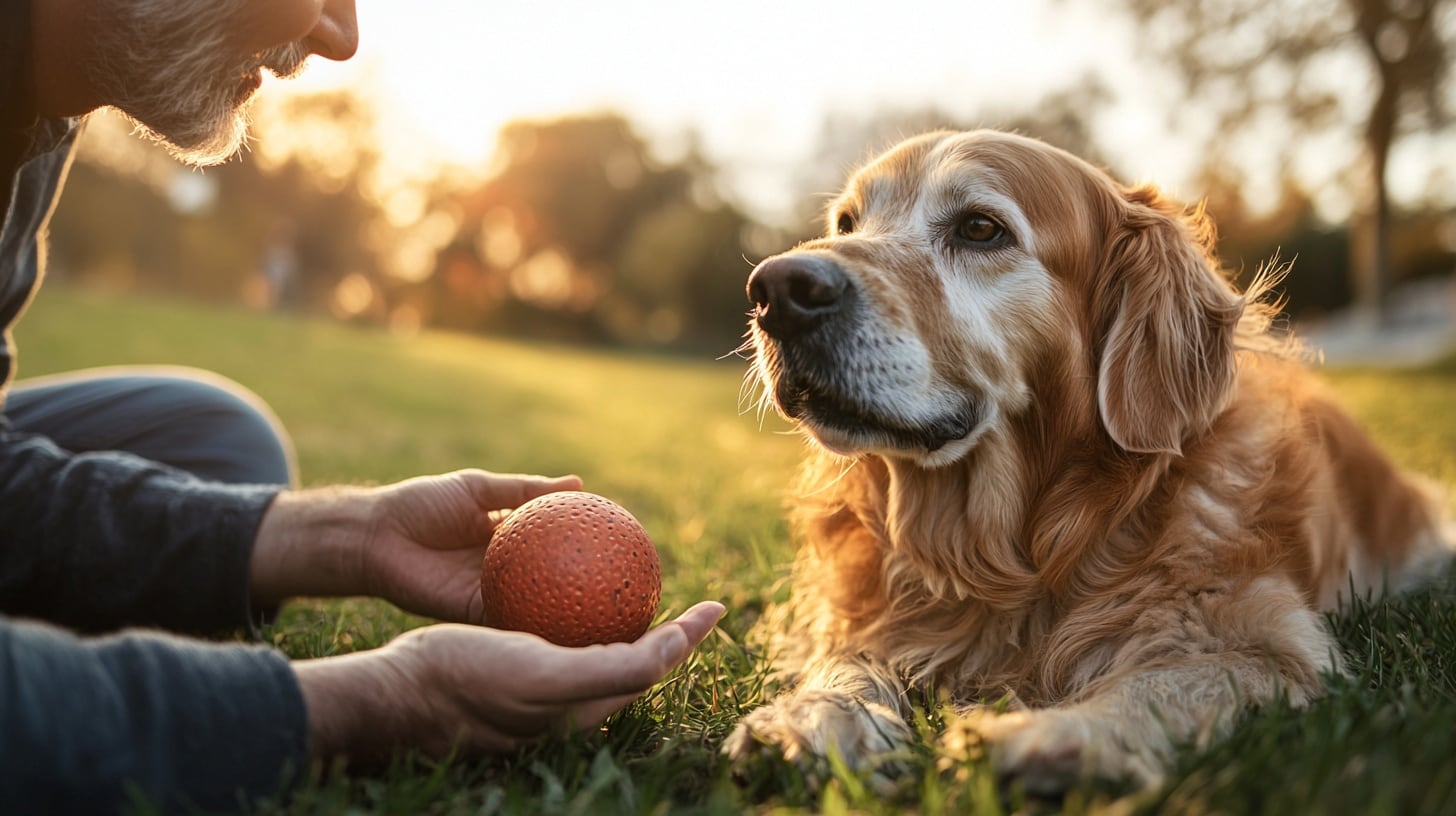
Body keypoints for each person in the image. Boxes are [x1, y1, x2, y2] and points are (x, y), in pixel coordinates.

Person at [0, 0, 726, 812]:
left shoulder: (43, 106)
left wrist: (350, 538)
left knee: (221, 446)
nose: (341, 38)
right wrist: (377, 701)